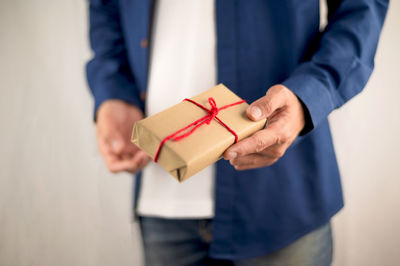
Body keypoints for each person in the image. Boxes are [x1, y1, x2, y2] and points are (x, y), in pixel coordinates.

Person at [86, 0, 388, 265]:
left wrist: (309, 95)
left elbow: (362, 8)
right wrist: (114, 92)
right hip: (161, 190)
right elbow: (106, 9)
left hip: (283, 195)